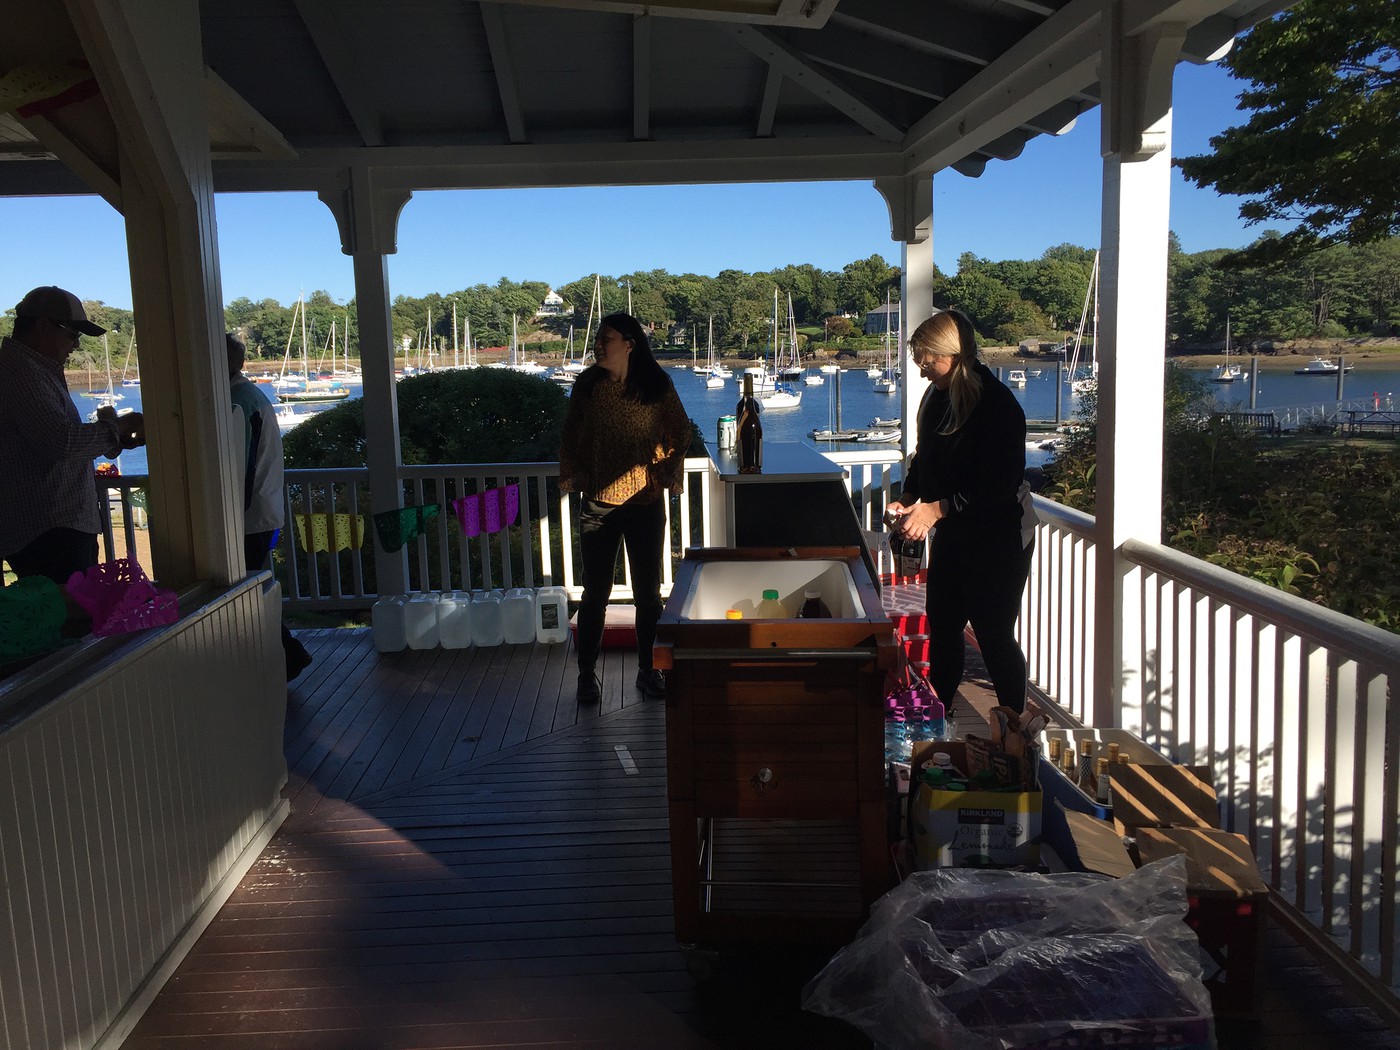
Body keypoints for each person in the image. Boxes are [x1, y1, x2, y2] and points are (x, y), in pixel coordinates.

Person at [885, 309, 1037, 713]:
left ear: (953, 354)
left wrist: (938, 509)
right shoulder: (937, 399)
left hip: (1001, 535)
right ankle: (941, 716)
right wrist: (910, 496)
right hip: (955, 531)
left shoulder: (998, 407)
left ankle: (1015, 728)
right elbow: (925, 458)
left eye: (927, 361)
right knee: (944, 627)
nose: (921, 371)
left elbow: (997, 487)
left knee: (993, 633)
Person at [558, 312, 692, 703]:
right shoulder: (587, 385)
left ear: (630, 344)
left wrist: (662, 468)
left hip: (645, 503)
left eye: (608, 338)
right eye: (599, 338)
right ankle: (587, 675)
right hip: (598, 505)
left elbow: (681, 431)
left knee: (648, 595)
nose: (599, 344)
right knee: (594, 593)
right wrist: (579, 473)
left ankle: (648, 671)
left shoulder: (655, 385)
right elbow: (571, 436)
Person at [0, 286, 145, 588]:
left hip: (56, 526)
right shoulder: (20, 374)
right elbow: (61, 443)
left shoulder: (34, 369)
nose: (76, 345)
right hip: (48, 530)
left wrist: (113, 439)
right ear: (42, 326)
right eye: (72, 334)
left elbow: (50, 444)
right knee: (73, 622)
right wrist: (117, 428)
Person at [227, 334, 313, 681]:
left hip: (249, 515)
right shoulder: (250, 397)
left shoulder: (237, 402)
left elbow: (241, 467)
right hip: (263, 511)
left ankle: (288, 658)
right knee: (253, 588)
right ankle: (284, 657)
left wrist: (228, 514)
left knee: (247, 591)